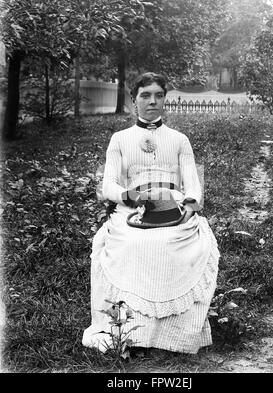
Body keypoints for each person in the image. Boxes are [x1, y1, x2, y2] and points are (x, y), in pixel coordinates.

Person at [82, 72, 220, 354]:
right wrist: (128, 196)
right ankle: (130, 332)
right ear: (134, 100)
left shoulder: (180, 140)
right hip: (134, 206)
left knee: (173, 243)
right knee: (132, 244)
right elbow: (108, 182)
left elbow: (193, 182)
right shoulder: (120, 139)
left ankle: (175, 334)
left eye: (158, 95)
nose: (152, 101)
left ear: (165, 99)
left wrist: (187, 204)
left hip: (172, 206)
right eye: (145, 95)